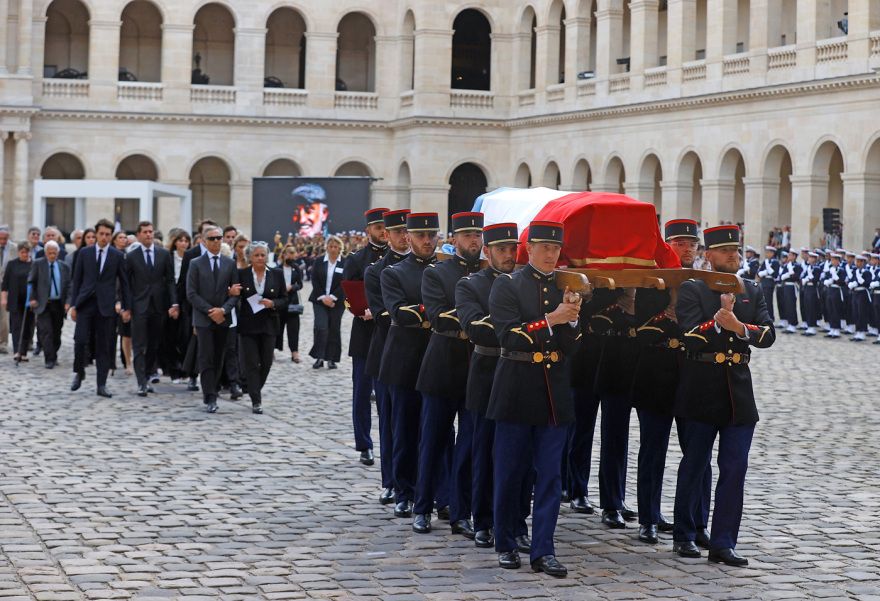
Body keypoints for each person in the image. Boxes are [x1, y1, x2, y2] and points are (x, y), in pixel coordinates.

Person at [672, 224, 775, 566]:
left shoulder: (752, 290)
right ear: (709, 255)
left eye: (737, 250)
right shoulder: (693, 288)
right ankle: (685, 534)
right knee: (695, 465)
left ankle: (723, 541)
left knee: (734, 470)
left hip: (739, 393)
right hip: (701, 388)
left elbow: (767, 334)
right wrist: (718, 323)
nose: (733, 255)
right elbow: (687, 334)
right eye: (726, 250)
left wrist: (739, 327)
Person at [487, 221, 581, 576]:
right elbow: (508, 336)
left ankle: (543, 549)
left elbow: (574, 348)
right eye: (544, 247)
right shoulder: (507, 284)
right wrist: (551, 319)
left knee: (551, 477)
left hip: (554, 391)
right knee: (511, 471)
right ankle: (507, 541)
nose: (551, 254)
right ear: (528, 249)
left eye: (556, 248)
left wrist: (572, 321)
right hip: (516, 386)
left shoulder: (565, 286)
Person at [631, 220, 708, 547]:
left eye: (692, 244)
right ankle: (648, 518)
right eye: (680, 243)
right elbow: (641, 330)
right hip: (656, 372)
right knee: (653, 450)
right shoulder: (653, 283)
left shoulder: (705, 284)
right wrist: (669, 314)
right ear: (667, 246)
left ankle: (695, 522)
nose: (687, 249)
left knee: (698, 453)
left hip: (692, 374)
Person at [456, 223, 529, 550]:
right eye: (501, 249)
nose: (509, 255)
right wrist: (515, 325)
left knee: (521, 457)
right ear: (487, 251)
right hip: (486, 372)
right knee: (483, 451)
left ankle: (518, 522)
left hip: (519, 374)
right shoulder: (470, 285)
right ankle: (483, 519)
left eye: (513, 249)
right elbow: (476, 329)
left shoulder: (525, 282)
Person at [412, 212, 484, 538]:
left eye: (478, 236)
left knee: (468, 447)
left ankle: (460, 513)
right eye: (467, 235)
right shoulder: (436, 274)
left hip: (474, 368)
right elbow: (439, 318)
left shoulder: (487, 275)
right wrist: (475, 317)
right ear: (454, 239)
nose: (474, 241)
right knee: (433, 441)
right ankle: (422, 507)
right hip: (442, 365)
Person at [379, 213, 441, 518]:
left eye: (432, 236)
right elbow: (398, 313)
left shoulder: (445, 270)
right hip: (405, 358)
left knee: (438, 431)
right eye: (421, 236)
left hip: (440, 357)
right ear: (408, 239)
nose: (427, 241)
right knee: (404, 428)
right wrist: (438, 310)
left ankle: (439, 491)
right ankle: (404, 491)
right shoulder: (394, 273)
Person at [364, 209, 411, 505]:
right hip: (387, 353)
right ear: (387, 235)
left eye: (408, 231)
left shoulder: (431, 267)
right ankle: (391, 480)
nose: (404, 237)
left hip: (421, 353)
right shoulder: (378, 269)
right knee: (390, 420)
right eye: (397, 232)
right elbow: (383, 316)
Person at [343, 208, 389, 466]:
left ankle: (389, 442)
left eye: (386, 227)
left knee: (386, 394)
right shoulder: (356, 259)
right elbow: (348, 296)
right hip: (364, 332)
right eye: (378, 227)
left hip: (389, 333)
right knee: (362, 391)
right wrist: (360, 310)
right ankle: (364, 444)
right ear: (368, 230)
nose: (383, 231)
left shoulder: (398, 258)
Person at [68, 219, 131, 397]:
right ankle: (79, 373)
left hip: (106, 306)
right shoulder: (84, 253)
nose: (104, 237)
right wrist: (74, 305)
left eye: (108, 235)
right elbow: (77, 280)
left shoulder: (117, 255)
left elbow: (125, 283)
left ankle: (101, 384)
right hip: (85, 304)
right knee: (80, 340)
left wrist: (127, 307)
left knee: (104, 346)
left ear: (111, 236)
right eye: (101, 234)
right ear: (96, 234)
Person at [186, 225, 240, 413]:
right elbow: (191, 293)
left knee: (219, 357)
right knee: (206, 358)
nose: (217, 241)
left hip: (223, 319)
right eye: (212, 238)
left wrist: (223, 311)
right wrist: (211, 311)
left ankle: (214, 389)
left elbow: (235, 293)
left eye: (219, 238)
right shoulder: (195, 263)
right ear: (203, 241)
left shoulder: (229, 263)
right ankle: (209, 396)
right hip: (204, 319)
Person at [125, 221, 178, 397]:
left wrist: (174, 303)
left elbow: (170, 280)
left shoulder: (163, 255)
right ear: (139, 235)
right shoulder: (132, 256)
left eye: (151, 232)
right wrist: (125, 306)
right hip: (139, 306)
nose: (148, 234)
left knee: (154, 345)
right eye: (145, 232)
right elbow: (126, 284)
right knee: (139, 345)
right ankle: (141, 382)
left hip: (158, 306)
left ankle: (147, 376)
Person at [238, 242, 287, 414]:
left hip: (269, 324)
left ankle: (254, 387)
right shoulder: (241, 274)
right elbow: (236, 295)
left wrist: (272, 303)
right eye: (257, 255)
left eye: (263, 255)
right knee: (251, 363)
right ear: (250, 257)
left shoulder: (277, 274)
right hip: (248, 325)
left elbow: (285, 300)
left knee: (266, 363)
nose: (260, 258)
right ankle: (256, 400)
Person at [178, 219, 217, 391]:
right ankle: (192, 376)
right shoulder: (191, 254)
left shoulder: (220, 253)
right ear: (202, 237)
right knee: (194, 343)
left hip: (215, 306)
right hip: (194, 305)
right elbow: (183, 282)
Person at [308, 235, 346, 369]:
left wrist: (333, 297)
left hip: (337, 301)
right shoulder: (319, 261)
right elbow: (314, 280)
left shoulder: (344, 262)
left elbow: (344, 282)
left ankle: (332, 358)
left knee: (334, 328)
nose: (333, 249)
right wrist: (323, 297)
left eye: (336, 247)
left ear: (340, 248)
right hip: (319, 300)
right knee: (321, 327)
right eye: (331, 246)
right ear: (327, 247)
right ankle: (319, 356)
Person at [2, 241, 34, 361]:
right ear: (19, 252)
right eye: (22, 252)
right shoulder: (12, 264)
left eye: (27, 252)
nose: (25, 254)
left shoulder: (34, 265)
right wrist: (4, 298)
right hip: (15, 299)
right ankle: (17, 351)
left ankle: (24, 352)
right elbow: (5, 283)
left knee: (27, 325)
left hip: (28, 300)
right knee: (16, 325)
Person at [274, 244, 304, 363]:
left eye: (293, 258)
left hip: (292, 302)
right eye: (289, 257)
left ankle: (294, 352)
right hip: (280, 302)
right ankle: (272, 350)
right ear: (284, 255)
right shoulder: (278, 269)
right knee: (277, 327)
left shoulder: (295, 268)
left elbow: (300, 284)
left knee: (293, 328)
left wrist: (292, 287)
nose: (291, 260)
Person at [0, 225, 18, 354]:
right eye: (0, 238)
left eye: (5, 239)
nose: (2, 241)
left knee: (4, 317)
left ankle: (3, 343)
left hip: (6, 288)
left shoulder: (14, 249)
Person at [848, 254, 873, 341]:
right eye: (856, 261)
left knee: (861, 312)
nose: (857, 263)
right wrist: (851, 284)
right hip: (855, 292)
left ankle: (862, 331)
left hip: (862, 293)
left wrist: (861, 281)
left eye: (858, 262)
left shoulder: (867, 272)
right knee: (855, 313)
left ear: (863, 262)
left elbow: (867, 283)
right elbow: (851, 280)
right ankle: (858, 331)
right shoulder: (856, 271)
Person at [823, 253, 846, 338]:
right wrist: (827, 281)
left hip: (837, 291)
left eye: (833, 260)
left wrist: (835, 277)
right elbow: (825, 278)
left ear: (837, 260)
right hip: (830, 290)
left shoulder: (841, 270)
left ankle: (836, 328)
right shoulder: (830, 269)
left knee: (836, 309)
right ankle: (832, 327)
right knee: (830, 309)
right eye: (831, 260)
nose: (832, 261)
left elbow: (842, 282)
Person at [757, 246, 780, 322]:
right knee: (763, 301)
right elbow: (759, 272)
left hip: (770, 283)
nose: (767, 254)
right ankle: (764, 316)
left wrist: (769, 270)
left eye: (768, 252)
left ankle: (770, 317)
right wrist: (764, 272)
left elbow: (775, 274)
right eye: (766, 252)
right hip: (764, 282)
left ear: (773, 253)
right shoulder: (766, 261)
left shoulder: (775, 262)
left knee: (768, 301)